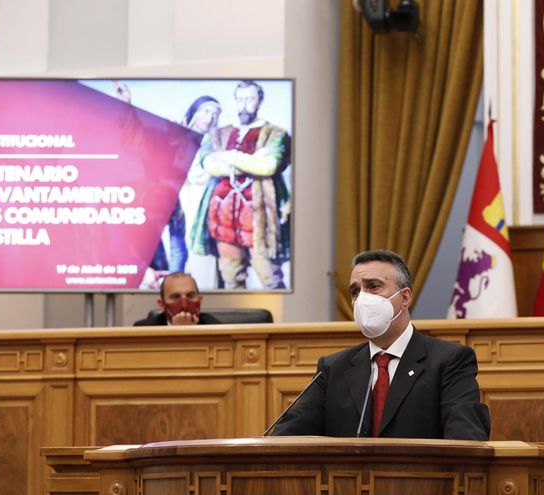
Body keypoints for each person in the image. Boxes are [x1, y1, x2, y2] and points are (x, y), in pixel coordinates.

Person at [270, 250, 490, 440]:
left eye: (373, 287)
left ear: (405, 298)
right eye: (355, 291)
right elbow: (287, 436)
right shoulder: (333, 368)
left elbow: (466, 439)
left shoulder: (450, 361)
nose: (361, 299)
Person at [194, 80, 291, 290]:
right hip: (222, 219)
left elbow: (268, 165)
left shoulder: (276, 133)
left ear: (259, 101)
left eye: (250, 99)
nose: (244, 104)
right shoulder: (218, 133)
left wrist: (227, 156)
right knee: (230, 280)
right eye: (240, 99)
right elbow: (209, 164)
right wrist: (249, 161)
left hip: (261, 220)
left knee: (271, 279)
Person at [133, 272, 221, 326]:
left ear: (200, 300)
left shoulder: (217, 329)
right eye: (175, 297)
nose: (184, 305)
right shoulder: (143, 330)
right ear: (162, 304)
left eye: (190, 296)